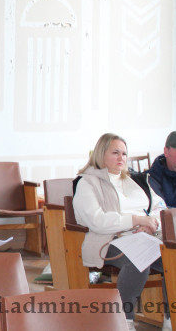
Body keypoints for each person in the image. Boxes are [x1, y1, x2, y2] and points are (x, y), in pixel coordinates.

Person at [73, 133, 170, 330]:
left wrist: (151, 224)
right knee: (137, 260)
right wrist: (136, 220)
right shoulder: (87, 183)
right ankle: (124, 320)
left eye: (124, 153)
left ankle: (171, 318)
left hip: (146, 237)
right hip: (108, 239)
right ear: (101, 154)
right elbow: (97, 221)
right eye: (115, 152)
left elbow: (161, 208)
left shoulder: (137, 180)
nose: (121, 158)